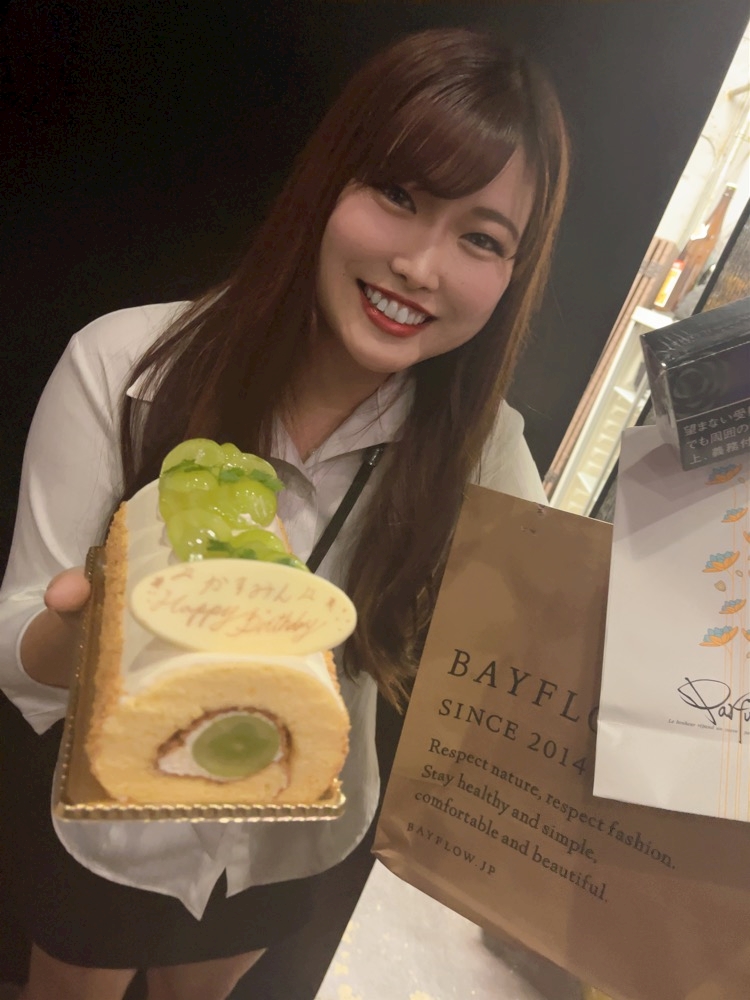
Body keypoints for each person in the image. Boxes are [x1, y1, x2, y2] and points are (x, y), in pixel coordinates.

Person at [0, 26, 570, 1000]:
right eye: (399, 195)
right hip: (113, 815)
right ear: (328, 182)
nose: (421, 266)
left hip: (291, 835)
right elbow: (15, 647)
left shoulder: (487, 455)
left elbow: (556, 662)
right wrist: (85, 624)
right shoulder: (123, 367)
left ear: (514, 274)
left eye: (481, 238)